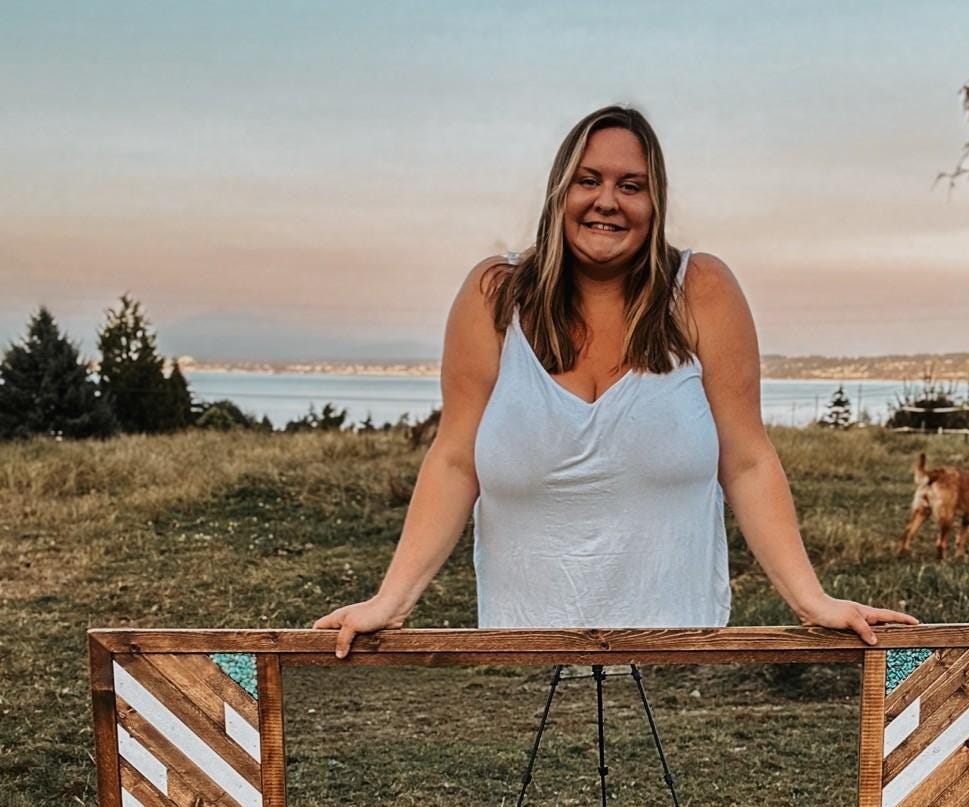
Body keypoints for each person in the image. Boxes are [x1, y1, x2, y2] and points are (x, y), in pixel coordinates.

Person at [312, 104, 917, 655]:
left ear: (655, 205)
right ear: (560, 192)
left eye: (632, 186)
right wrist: (389, 600)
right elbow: (454, 458)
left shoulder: (701, 290)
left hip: (680, 656)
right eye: (589, 180)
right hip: (520, 656)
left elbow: (747, 458)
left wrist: (812, 600)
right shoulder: (494, 295)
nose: (608, 201)